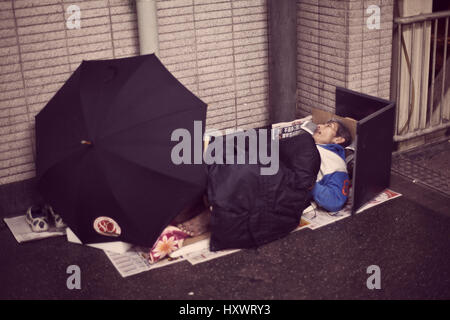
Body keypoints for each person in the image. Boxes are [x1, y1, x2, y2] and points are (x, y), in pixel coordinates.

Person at [175, 119, 352, 237]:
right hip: (272, 166)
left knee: (245, 174)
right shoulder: (304, 141)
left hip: (284, 188)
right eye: (323, 124)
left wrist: (307, 183)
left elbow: (335, 200)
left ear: (338, 140)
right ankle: (200, 198)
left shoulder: (335, 163)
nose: (319, 126)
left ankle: (213, 214)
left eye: (329, 126)